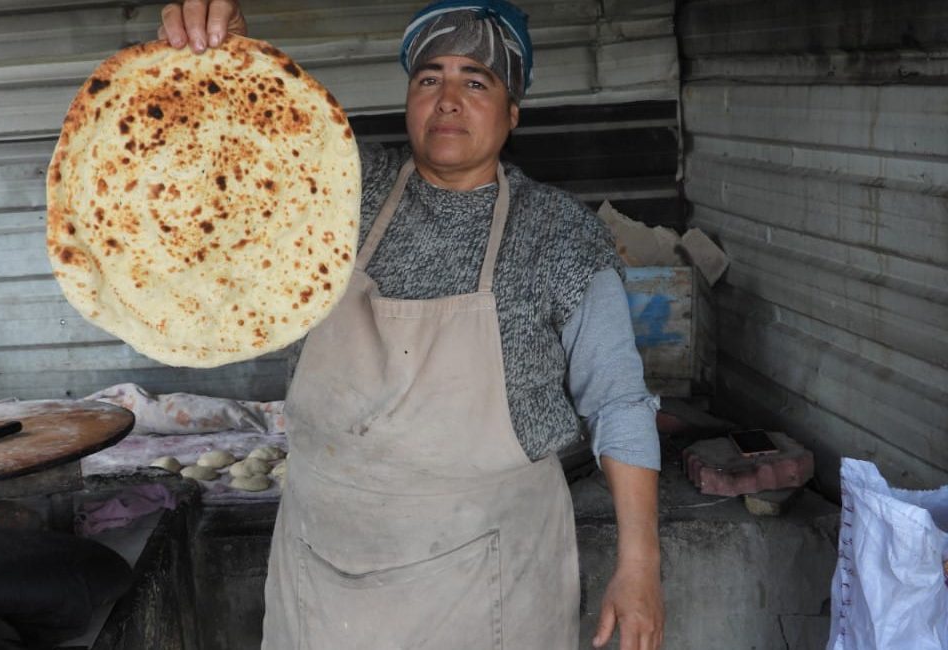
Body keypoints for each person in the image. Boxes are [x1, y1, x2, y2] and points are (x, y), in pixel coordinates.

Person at [160, 1, 664, 648]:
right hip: (321, 572)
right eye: (429, 79)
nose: (448, 99)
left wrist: (640, 565)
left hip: (487, 580)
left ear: (513, 113)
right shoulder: (341, 186)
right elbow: (232, 161)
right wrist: (220, 61)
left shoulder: (560, 234)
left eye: (475, 81)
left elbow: (618, 399)